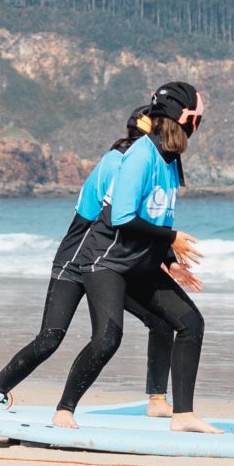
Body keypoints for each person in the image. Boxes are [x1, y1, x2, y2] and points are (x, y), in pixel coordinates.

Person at [0, 106, 177, 411]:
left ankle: (157, 399)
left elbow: (150, 220)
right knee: (50, 337)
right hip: (76, 261)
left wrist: (167, 255)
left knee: (162, 322)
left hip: (111, 267)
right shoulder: (118, 163)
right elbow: (111, 220)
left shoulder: (147, 165)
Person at [53, 82, 215, 432]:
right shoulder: (142, 155)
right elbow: (122, 217)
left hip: (140, 265)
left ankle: (183, 415)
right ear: (183, 119)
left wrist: (171, 261)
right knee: (108, 338)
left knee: (191, 324)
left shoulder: (171, 160)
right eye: (197, 118)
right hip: (106, 262)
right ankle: (65, 408)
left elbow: (156, 219)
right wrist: (172, 237)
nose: (198, 126)